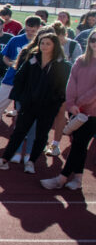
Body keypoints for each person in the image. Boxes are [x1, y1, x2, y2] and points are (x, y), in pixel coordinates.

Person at [0, 30, 71, 175]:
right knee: (19, 132)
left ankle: (31, 162)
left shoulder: (62, 65)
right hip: (29, 104)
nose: (44, 46)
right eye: (42, 43)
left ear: (55, 46)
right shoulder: (32, 59)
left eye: (48, 44)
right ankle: (4, 160)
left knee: (41, 135)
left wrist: (55, 103)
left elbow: (63, 87)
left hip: (48, 107)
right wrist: (21, 98)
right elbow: (19, 78)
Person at [41, 33, 96, 191]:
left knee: (79, 144)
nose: (94, 43)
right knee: (79, 144)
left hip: (91, 114)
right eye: (92, 40)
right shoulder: (81, 60)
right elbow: (71, 82)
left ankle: (62, 178)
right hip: (75, 110)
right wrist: (71, 103)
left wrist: (80, 103)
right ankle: (77, 178)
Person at [0, 16, 43, 142]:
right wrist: (12, 64)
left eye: (33, 31)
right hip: (11, 79)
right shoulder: (15, 40)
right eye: (27, 30)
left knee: (25, 110)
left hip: (30, 83)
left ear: (40, 28)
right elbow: (5, 57)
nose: (29, 33)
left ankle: (23, 134)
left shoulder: (42, 43)